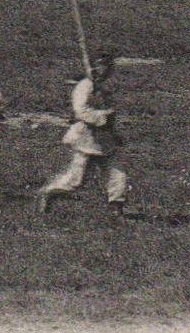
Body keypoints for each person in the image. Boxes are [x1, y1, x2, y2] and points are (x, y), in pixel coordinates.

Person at [36, 53, 128, 215]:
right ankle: (47, 193)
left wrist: (115, 132)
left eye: (109, 66)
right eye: (103, 65)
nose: (107, 69)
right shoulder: (85, 86)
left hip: (105, 139)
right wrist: (102, 118)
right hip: (86, 138)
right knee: (76, 179)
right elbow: (80, 111)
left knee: (117, 174)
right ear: (94, 67)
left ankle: (117, 211)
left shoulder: (104, 88)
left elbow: (111, 113)